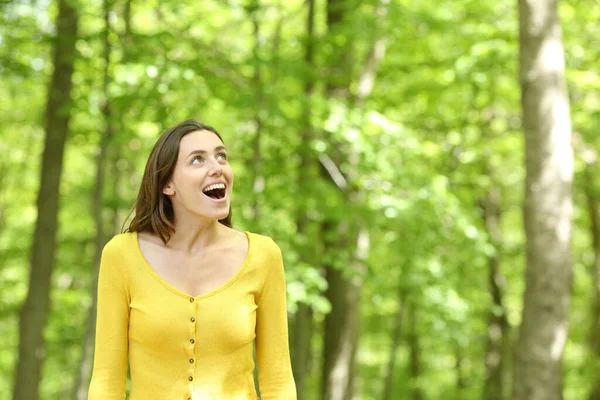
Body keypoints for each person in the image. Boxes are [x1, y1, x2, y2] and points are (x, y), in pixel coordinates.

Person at [88, 119, 296, 400]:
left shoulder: (263, 255)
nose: (217, 167)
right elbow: (106, 381)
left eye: (221, 156)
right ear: (167, 185)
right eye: (197, 160)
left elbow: (278, 380)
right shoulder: (122, 255)